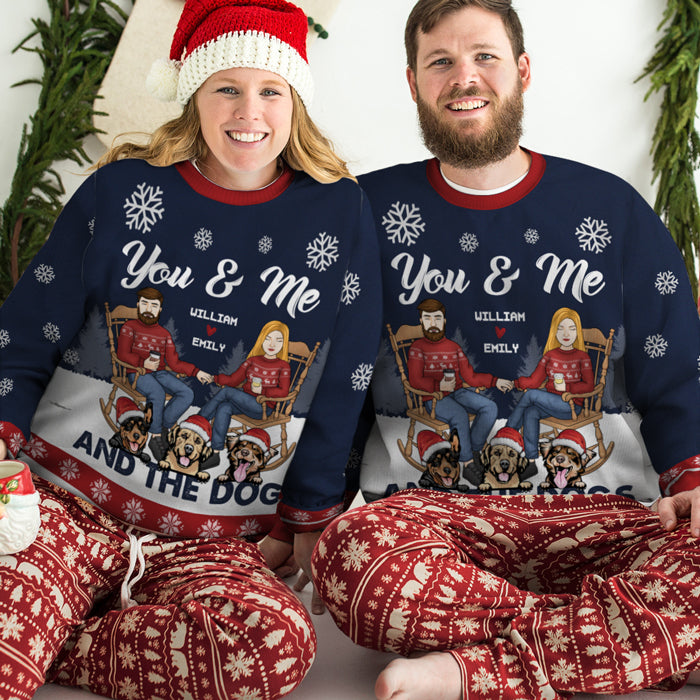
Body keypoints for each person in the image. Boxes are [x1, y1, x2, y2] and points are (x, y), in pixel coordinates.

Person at [311, 1, 700, 699]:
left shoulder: (610, 211)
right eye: (442, 61)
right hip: (435, 525)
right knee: (350, 554)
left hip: (608, 523)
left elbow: (675, 371)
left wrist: (692, 479)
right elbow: (340, 385)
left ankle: (472, 671)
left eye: (485, 56)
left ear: (521, 70)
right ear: (412, 83)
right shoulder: (363, 214)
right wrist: (307, 515)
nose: (466, 77)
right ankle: (622, 641)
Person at [0, 1, 380, 698]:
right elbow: (29, 329)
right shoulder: (122, 191)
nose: (250, 111)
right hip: (64, 501)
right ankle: (35, 619)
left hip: (210, 541)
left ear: (295, 100)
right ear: (193, 96)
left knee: (276, 646)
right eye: (226, 88)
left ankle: (57, 636)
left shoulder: (340, 213)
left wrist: (307, 516)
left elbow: (344, 381)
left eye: (271, 91)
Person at [408, 297, 511, 481]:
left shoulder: (453, 348)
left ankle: (474, 448)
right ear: (421, 321)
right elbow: (415, 380)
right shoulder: (417, 348)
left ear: (444, 321)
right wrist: (438, 386)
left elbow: (470, 377)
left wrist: (495, 381)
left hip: (457, 392)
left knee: (490, 407)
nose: (433, 323)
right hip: (432, 398)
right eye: (428, 318)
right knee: (459, 415)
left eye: (437, 318)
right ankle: (467, 463)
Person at [117, 285, 214, 460]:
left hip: (159, 373)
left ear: (159, 309)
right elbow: (122, 354)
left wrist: (196, 372)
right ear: (138, 304)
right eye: (145, 304)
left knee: (186, 393)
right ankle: (155, 436)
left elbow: (174, 363)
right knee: (157, 393)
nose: (148, 309)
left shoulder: (164, 334)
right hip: (137, 373)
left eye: (153, 306)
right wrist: (142, 362)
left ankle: (162, 426)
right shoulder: (129, 327)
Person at [505, 306, 594, 472]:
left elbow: (589, 385)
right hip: (550, 401)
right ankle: (531, 461)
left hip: (572, 405)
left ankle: (507, 434)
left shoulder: (583, 357)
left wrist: (567, 387)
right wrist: (516, 383)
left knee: (531, 395)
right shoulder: (550, 355)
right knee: (530, 412)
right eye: (561, 329)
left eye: (571, 329)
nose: (566, 334)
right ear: (555, 331)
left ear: (577, 332)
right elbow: (534, 380)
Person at [198, 319, 291, 465]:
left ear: (283, 344)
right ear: (262, 339)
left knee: (227, 392)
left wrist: (263, 390)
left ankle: (198, 423)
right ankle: (215, 453)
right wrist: (214, 378)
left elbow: (284, 392)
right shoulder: (253, 360)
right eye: (268, 339)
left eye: (278, 341)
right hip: (245, 402)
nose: (272, 344)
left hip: (264, 408)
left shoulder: (283, 366)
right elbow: (233, 379)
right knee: (224, 407)